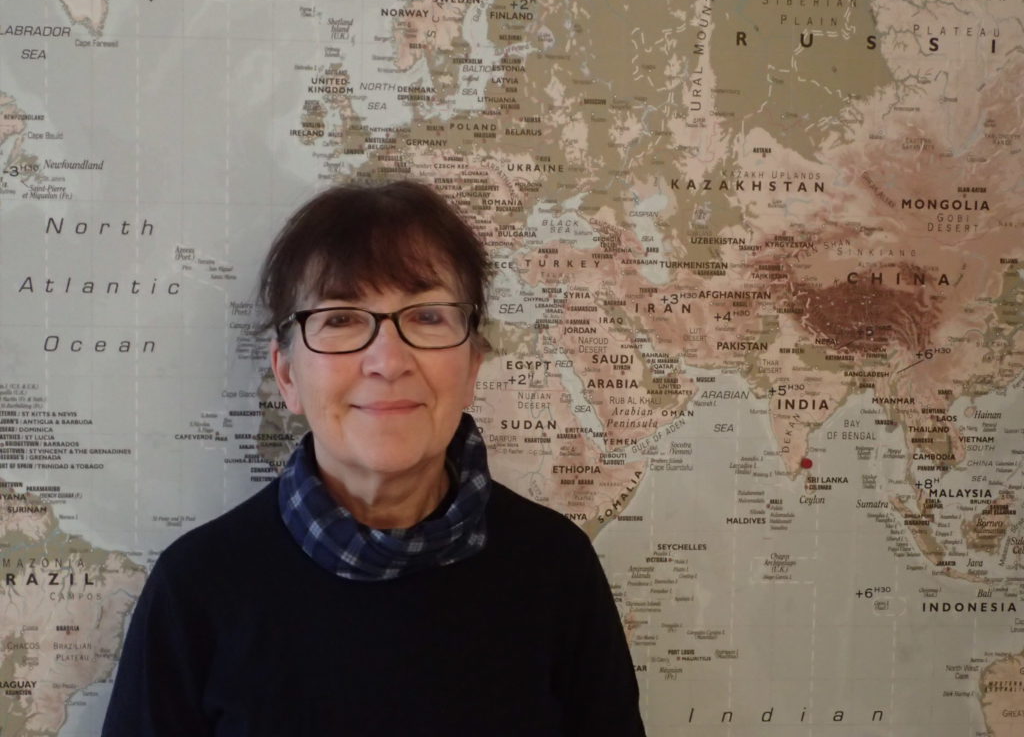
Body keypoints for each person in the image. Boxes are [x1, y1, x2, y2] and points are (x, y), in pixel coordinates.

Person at [101, 180, 646, 736]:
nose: (388, 361)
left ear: (472, 367)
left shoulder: (556, 569)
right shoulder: (197, 588)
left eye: (427, 316)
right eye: (341, 319)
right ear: (287, 375)